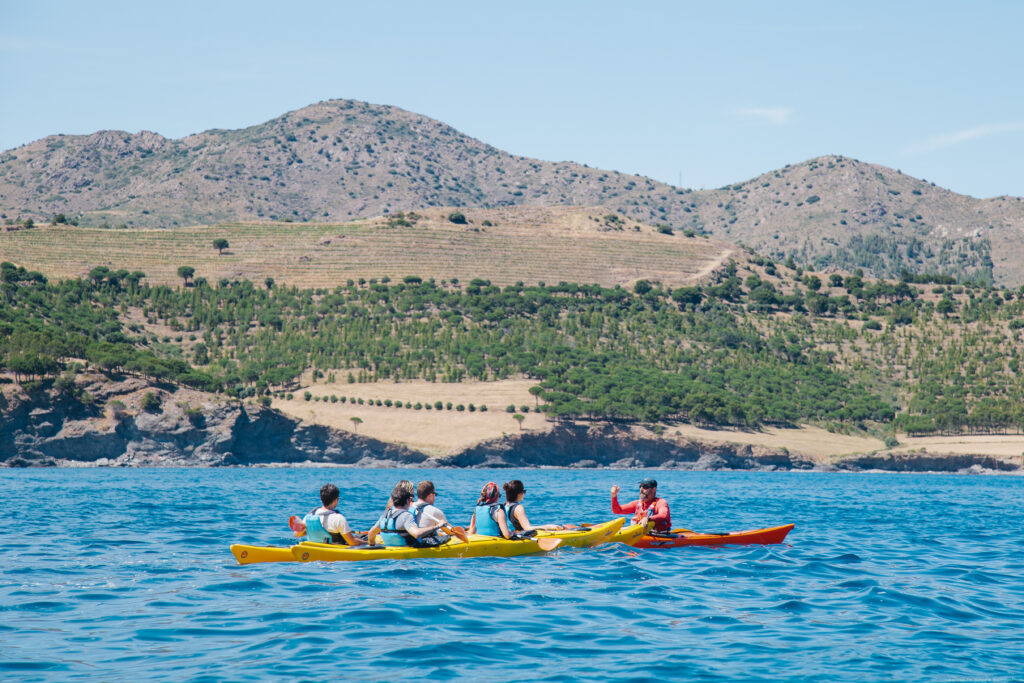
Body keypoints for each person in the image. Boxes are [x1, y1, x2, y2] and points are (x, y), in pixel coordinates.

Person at [374, 483, 448, 548]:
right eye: (410, 498)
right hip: (406, 548)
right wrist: (437, 526)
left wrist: (372, 544)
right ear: (407, 501)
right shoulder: (406, 516)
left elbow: (371, 533)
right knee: (447, 538)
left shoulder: (386, 514)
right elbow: (416, 534)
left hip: (389, 546)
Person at [366, 479, 415, 545]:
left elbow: (372, 532)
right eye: (411, 496)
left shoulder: (389, 510)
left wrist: (372, 546)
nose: (412, 499)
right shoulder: (411, 509)